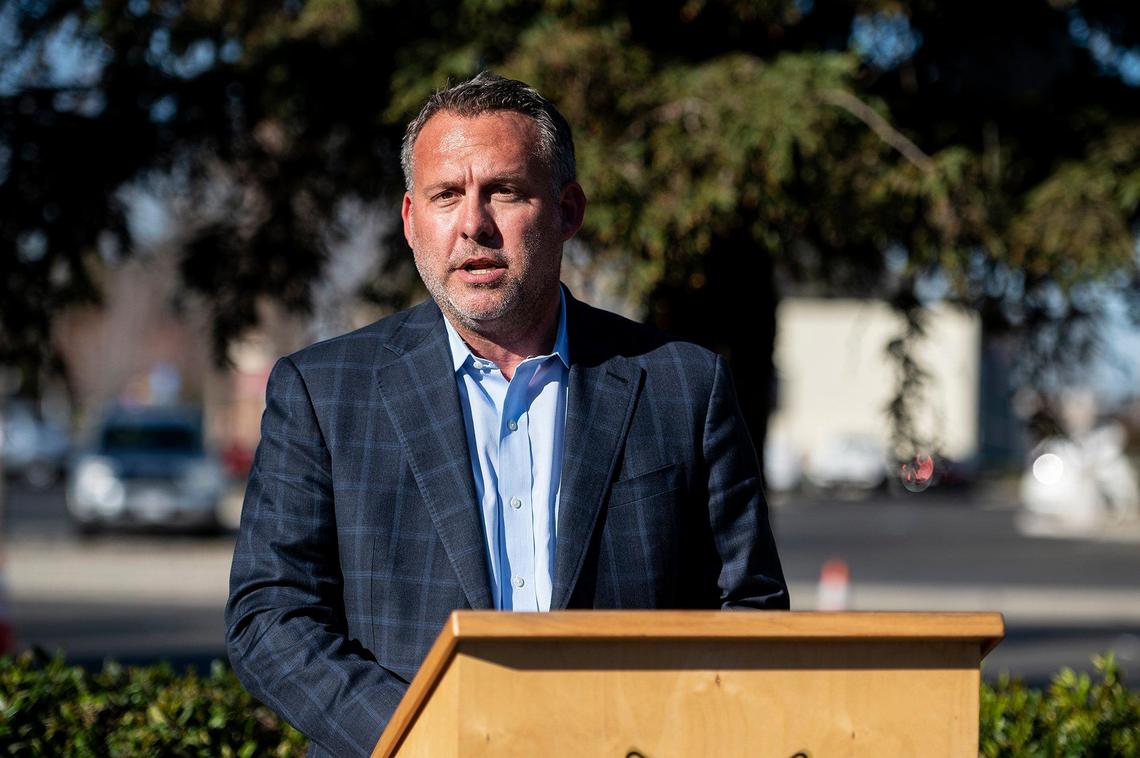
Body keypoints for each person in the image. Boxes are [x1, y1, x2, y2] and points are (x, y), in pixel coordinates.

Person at [225, 72, 788, 758]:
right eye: (446, 196)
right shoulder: (323, 392)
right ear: (411, 220)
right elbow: (270, 619)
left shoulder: (683, 386)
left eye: (505, 191)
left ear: (568, 209)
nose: (473, 224)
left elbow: (748, 614)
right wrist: (424, 738)